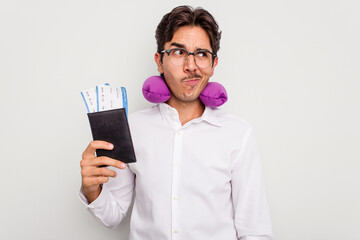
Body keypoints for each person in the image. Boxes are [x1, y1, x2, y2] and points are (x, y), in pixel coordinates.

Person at [79, 5, 274, 240]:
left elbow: (255, 231)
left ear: (213, 65)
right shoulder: (132, 128)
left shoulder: (239, 134)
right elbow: (112, 216)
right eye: (179, 52)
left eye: (202, 54)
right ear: (159, 61)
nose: (191, 66)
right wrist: (92, 189)